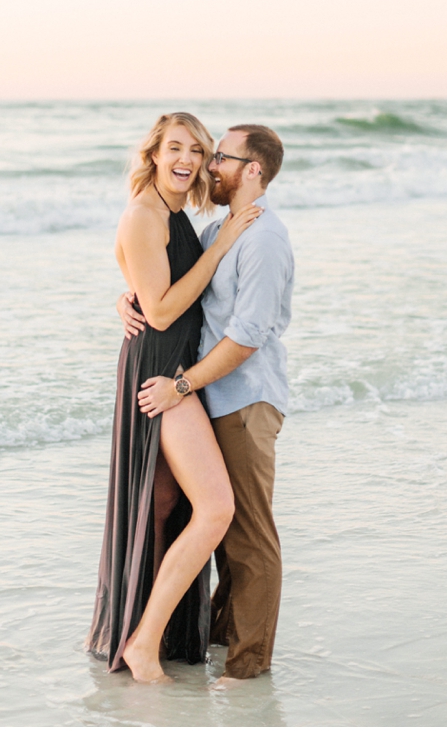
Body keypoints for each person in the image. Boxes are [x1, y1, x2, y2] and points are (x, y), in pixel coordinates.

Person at [85, 112, 262, 684]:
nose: (186, 159)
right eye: (175, 148)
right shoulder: (143, 212)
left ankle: (143, 634)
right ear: (154, 155)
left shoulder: (173, 212)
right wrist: (225, 243)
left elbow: (148, 286)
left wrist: (125, 294)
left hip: (171, 367)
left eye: (198, 150)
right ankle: (141, 643)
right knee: (214, 508)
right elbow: (159, 310)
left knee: (162, 509)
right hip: (161, 376)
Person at [120, 123, 294, 687]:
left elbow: (244, 336)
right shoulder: (215, 227)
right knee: (188, 514)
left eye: (215, 154)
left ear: (253, 170)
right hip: (190, 386)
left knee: (242, 532)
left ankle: (243, 669)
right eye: (193, 150)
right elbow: (166, 293)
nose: (204, 164)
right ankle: (181, 642)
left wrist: (183, 385)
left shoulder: (260, 236)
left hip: (232, 395)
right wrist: (130, 297)